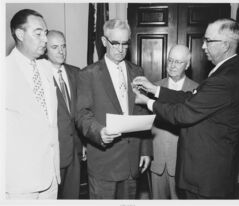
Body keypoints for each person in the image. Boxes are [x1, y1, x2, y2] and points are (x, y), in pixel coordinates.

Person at [132, 18, 239, 199]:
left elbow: (183, 113)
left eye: (208, 41)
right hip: (204, 173)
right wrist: (154, 90)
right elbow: (189, 98)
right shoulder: (228, 71)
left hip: (206, 176)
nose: (203, 46)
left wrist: (148, 103)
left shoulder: (224, 79)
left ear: (225, 45)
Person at [76, 19, 152, 199]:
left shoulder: (137, 71)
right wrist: (98, 131)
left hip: (132, 161)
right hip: (104, 162)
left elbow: (142, 112)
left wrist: (146, 150)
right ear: (104, 41)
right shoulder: (88, 74)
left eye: (125, 43)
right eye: (115, 43)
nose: (121, 49)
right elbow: (81, 114)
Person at [6, 9, 60, 199]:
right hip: (19, 181)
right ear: (20, 34)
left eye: (45, 33)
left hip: (51, 176)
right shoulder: (4, 71)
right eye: (38, 33)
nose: (45, 39)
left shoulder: (46, 68)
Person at [150, 45, 198, 199]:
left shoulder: (197, 90)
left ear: (188, 65)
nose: (172, 65)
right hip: (156, 160)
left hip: (183, 164)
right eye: (170, 60)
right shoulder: (153, 87)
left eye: (178, 62)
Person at [45, 30, 82, 199]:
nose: (61, 51)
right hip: (51, 154)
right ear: (45, 49)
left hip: (75, 151)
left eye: (63, 46)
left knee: (72, 197)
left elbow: (82, 111)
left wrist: (84, 143)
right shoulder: (39, 74)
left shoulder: (76, 73)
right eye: (55, 47)